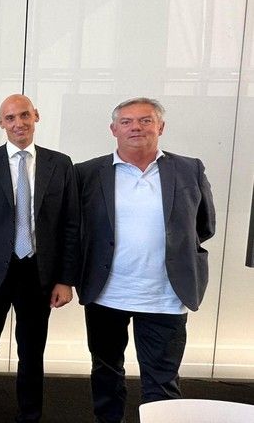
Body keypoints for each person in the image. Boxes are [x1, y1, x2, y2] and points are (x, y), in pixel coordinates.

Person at [75, 97, 215, 423]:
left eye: (145, 120)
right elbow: (75, 228)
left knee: (162, 382)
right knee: (106, 373)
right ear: (114, 129)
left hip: (165, 296)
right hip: (106, 294)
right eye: (126, 122)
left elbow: (203, 225)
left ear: (160, 127)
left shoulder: (189, 169)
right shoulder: (87, 173)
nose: (135, 127)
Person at [0, 94, 80, 423]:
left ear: (36, 116)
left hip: (38, 272)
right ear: (1, 123)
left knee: (32, 351)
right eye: (10, 118)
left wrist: (66, 279)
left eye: (24, 115)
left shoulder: (60, 164)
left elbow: (71, 225)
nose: (18, 123)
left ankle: (30, 415)